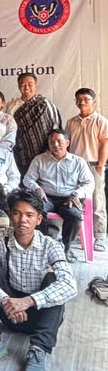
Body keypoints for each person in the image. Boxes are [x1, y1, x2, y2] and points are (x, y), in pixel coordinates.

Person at [0, 189, 77, 371]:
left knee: (55, 281)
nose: (22, 220)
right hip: (7, 312)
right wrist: (5, 300)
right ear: (10, 215)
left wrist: (27, 301)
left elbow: (70, 285)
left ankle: (38, 349)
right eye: (17, 213)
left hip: (40, 316)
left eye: (29, 215)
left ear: (38, 219)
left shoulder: (50, 245)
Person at [22, 129, 94, 261]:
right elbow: (27, 179)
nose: (55, 145)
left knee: (75, 215)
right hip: (46, 197)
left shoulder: (78, 162)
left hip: (68, 199)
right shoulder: (40, 159)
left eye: (59, 141)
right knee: (36, 212)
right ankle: (43, 246)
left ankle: (65, 249)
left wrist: (76, 194)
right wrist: (37, 188)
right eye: (52, 142)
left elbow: (89, 183)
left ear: (67, 143)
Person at [65, 87, 108, 252]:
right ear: (75, 101)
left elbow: (105, 144)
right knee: (76, 199)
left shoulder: (101, 121)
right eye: (79, 99)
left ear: (93, 101)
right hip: (75, 166)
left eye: (86, 99)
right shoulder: (71, 122)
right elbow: (67, 145)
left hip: (93, 165)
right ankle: (78, 233)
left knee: (97, 200)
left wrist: (100, 166)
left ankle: (100, 235)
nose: (82, 102)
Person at [13, 73, 62, 176]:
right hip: (23, 154)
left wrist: (53, 149)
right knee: (26, 181)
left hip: (45, 153)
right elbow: (10, 131)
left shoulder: (45, 104)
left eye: (30, 84)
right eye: (23, 84)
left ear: (36, 86)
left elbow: (55, 127)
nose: (26, 87)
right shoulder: (12, 107)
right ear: (18, 86)